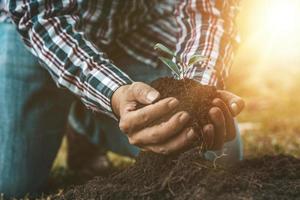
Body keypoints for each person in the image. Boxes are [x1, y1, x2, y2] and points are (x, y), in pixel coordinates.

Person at [0, 0, 244, 198]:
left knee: (214, 150)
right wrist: (114, 93)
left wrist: (197, 90)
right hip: (33, 35)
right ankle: (81, 97)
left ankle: (82, 119)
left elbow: (208, 9)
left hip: (130, 30)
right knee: (12, 184)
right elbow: (38, 15)